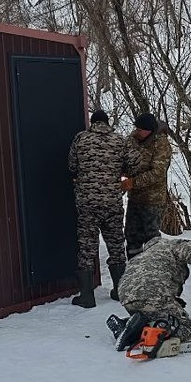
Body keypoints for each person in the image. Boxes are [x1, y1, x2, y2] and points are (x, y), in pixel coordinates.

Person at [68, 109, 142, 308]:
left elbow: (72, 166)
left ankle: (86, 296)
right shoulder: (119, 140)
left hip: (88, 203)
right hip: (112, 202)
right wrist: (117, 170)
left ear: (92, 123)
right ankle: (119, 290)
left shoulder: (81, 138)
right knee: (116, 245)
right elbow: (135, 164)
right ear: (107, 123)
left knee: (87, 247)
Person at [110, 235, 191, 348]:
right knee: (187, 328)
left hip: (126, 298)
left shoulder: (141, 257)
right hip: (153, 294)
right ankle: (153, 332)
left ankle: (127, 326)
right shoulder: (171, 246)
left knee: (153, 315)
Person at [122, 112, 172, 261]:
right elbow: (124, 159)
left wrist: (133, 182)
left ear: (149, 130)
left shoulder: (161, 144)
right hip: (135, 198)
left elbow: (157, 173)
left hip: (152, 200)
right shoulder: (132, 140)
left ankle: (155, 268)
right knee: (131, 235)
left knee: (151, 238)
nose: (136, 132)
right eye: (136, 128)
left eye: (140, 129)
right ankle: (134, 267)